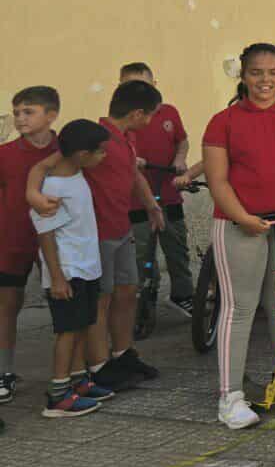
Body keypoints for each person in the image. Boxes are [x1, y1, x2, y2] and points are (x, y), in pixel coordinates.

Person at [200, 42, 275, 429]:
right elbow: (218, 180)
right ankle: (230, 397)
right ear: (243, 74)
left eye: (273, 73)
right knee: (239, 307)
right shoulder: (223, 121)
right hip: (240, 225)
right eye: (256, 72)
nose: (265, 80)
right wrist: (243, 217)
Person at [30, 77, 165, 391]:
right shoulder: (95, 139)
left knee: (127, 291)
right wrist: (32, 194)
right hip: (97, 235)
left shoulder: (125, 139)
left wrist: (151, 206)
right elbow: (43, 166)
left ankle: (122, 353)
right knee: (100, 302)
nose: (151, 121)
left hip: (121, 229)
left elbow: (133, 174)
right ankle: (99, 365)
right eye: (151, 115)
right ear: (137, 114)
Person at [30, 119, 117, 419]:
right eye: (100, 151)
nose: (104, 156)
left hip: (86, 267)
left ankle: (78, 381)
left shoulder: (76, 174)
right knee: (67, 331)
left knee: (82, 326)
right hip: (68, 271)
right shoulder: (53, 188)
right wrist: (57, 277)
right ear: (82, 154)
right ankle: (57, 396)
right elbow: (45, 234)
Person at [120, 63, 196, 319]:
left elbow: (182, 141)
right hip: (136, 198)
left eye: (142, 85)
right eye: (129, 86)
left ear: (154, 85)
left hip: (168, 189)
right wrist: (131, 158)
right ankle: (145, 296)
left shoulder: (169, 112)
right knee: (141, 250)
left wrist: (180, 159)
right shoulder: (123, 118)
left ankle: (182, 295)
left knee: (176, 246)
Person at [0, 86, 60, 404]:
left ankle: (70, 370)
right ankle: (3, 372)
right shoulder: (5, 154)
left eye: (28, 111)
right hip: (12, 240)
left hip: (57, 240)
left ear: (51, 115)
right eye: (17, 112)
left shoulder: (68, 150)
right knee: (7, 305)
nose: (20, 118)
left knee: (63, 303)